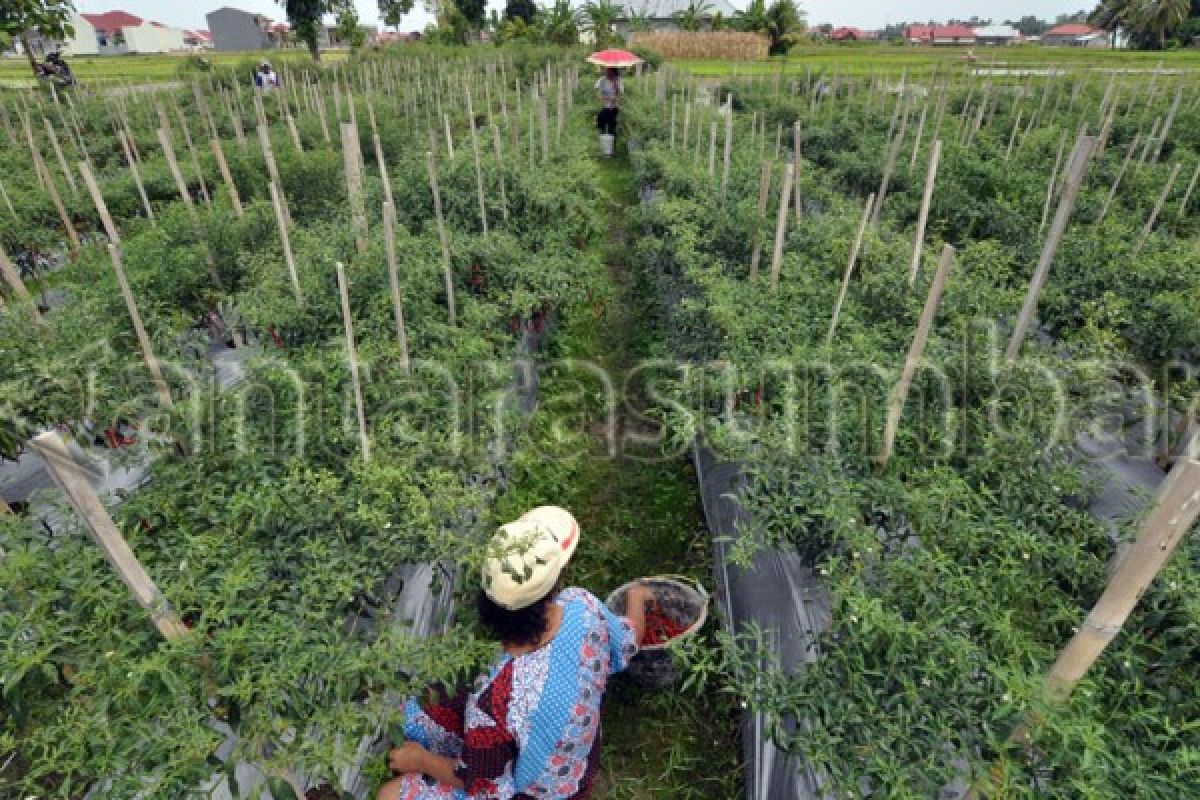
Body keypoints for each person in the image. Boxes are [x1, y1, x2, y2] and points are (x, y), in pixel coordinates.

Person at [378, 506, 654, 800]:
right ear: (554, 584)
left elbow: (484, 785)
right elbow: (626, 642)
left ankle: (426, 762)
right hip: (579, 758)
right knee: (417, 713)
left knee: (390, 794)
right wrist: (636, 598)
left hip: (541, 792)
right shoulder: (583, 607)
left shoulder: (493, 701)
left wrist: (422, 762)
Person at [594, 68, 621, 157]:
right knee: (601, 126)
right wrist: (603, 98)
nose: (607, 72)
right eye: (607, 70)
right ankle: (601, 149)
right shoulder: (602, 80)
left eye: (609, 71)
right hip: (603, 107)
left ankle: (612, 150)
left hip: (613, 108)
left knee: (612, 128)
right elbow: (597, 92)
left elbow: (620, 94)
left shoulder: (618, 80)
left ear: (614, 72)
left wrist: (616, 86)